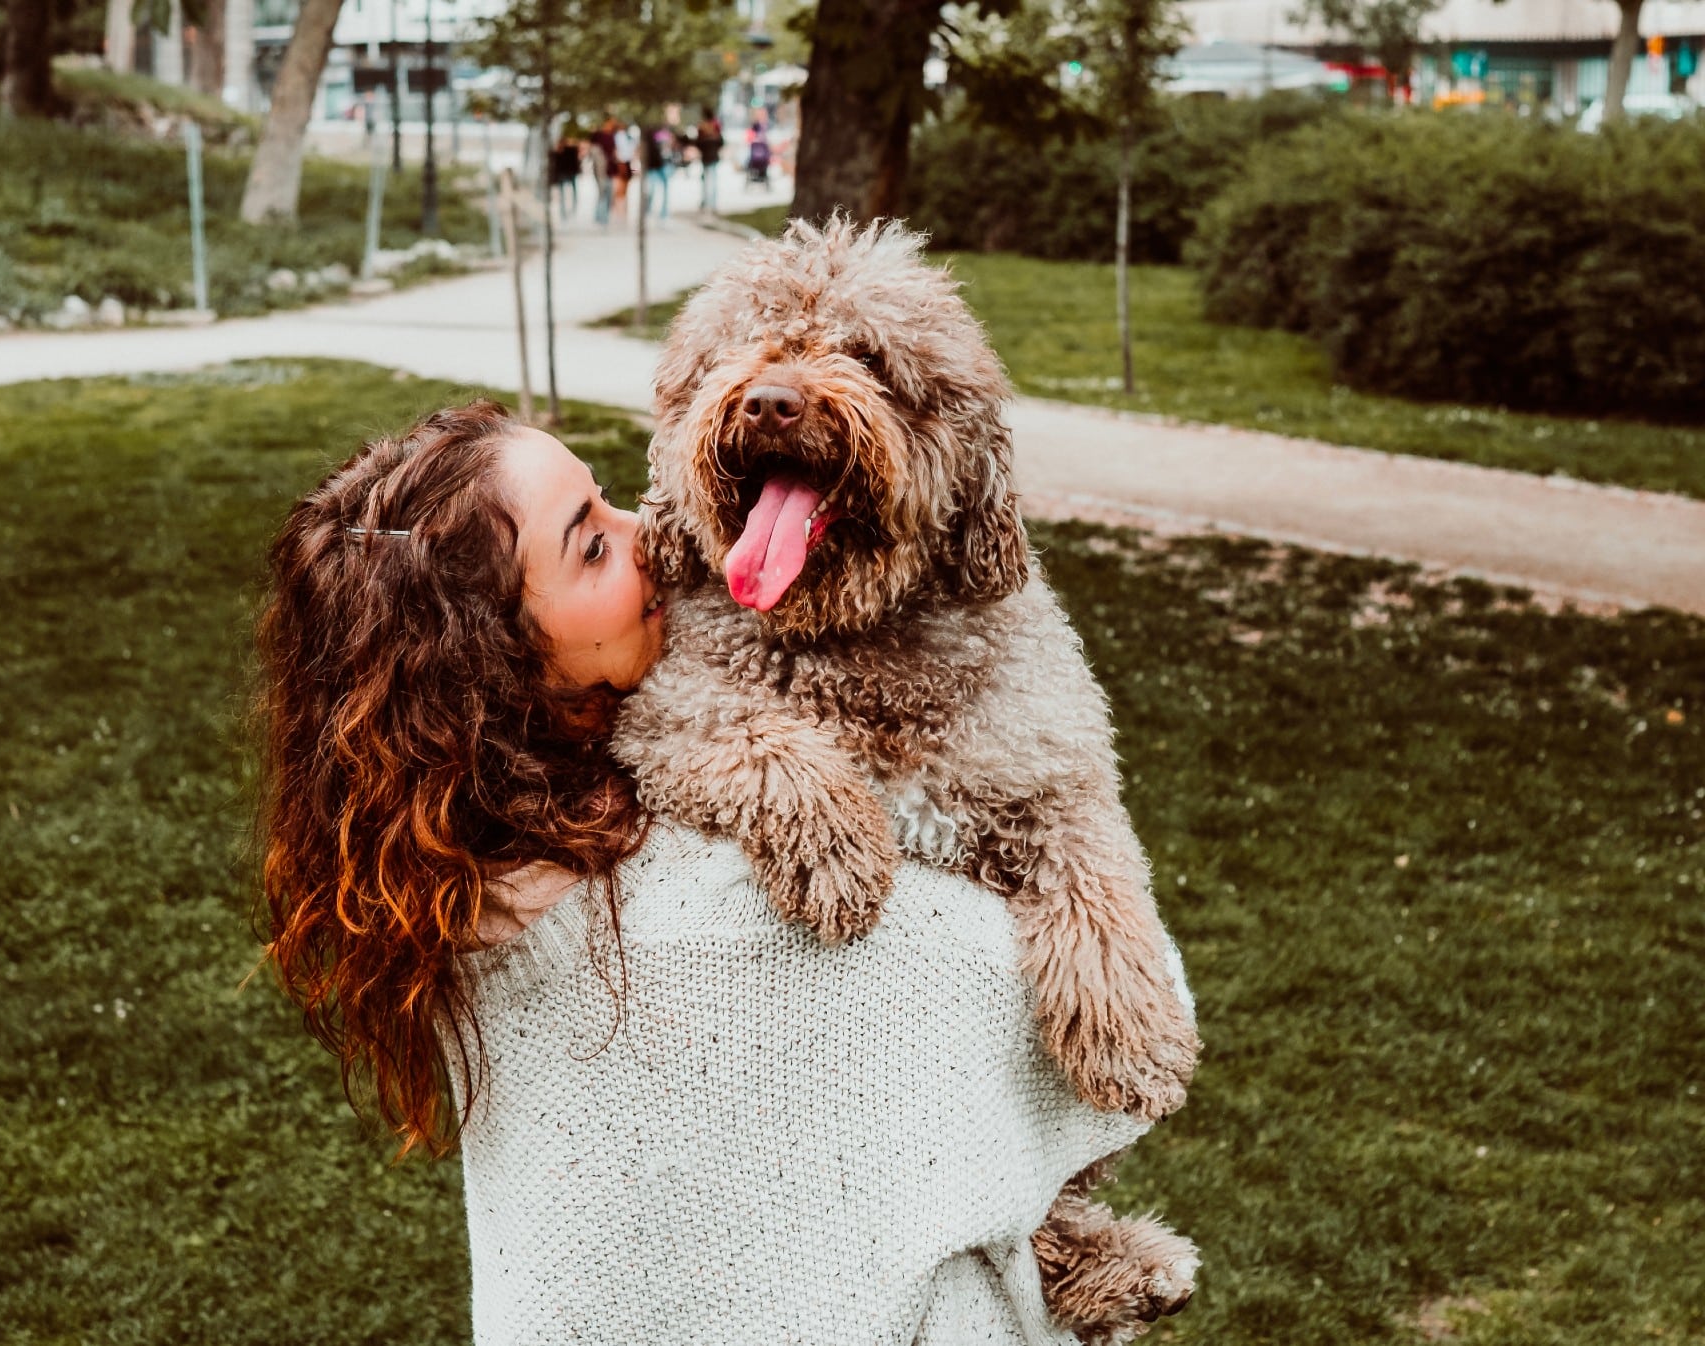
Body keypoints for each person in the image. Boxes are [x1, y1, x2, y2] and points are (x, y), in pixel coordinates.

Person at [255, 402, 1166, 1343]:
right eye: (591, 549)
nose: (647, 533)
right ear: (493, 661)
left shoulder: (443, 893)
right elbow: (1104, 1046)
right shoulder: (746, 906)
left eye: (607, 503)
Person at [693, 110, 724, 213]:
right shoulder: (716, 127)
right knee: (713, 181)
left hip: (706, 157)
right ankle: (713, 204)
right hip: (713, 156)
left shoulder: (702, 127)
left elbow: (697, 142)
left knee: (706, 181)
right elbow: (721, 141)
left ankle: (706, 202)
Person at [549, 130, 582, 220]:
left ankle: (570, 210)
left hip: (567, 173)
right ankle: (567, 211)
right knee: (567, 193)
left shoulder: (568, 150)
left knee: (569, 193)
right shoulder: (564, 151)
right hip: (565, 173)